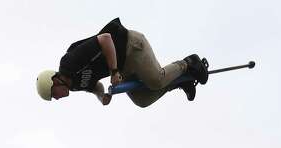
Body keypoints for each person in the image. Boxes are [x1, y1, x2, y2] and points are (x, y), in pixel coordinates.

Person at [36, 18, 209, 107]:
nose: (57, 98)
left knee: (155, 80)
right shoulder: (73, 85)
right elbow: (94, 85)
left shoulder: (69, 63)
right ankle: (182, 79)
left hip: (130, 46)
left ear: (55, 81)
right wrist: (100, 96)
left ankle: (188, 63)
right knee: (142, 100)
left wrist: (113, 71)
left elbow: (105, 39)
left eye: (53, 94)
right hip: (123, 68)